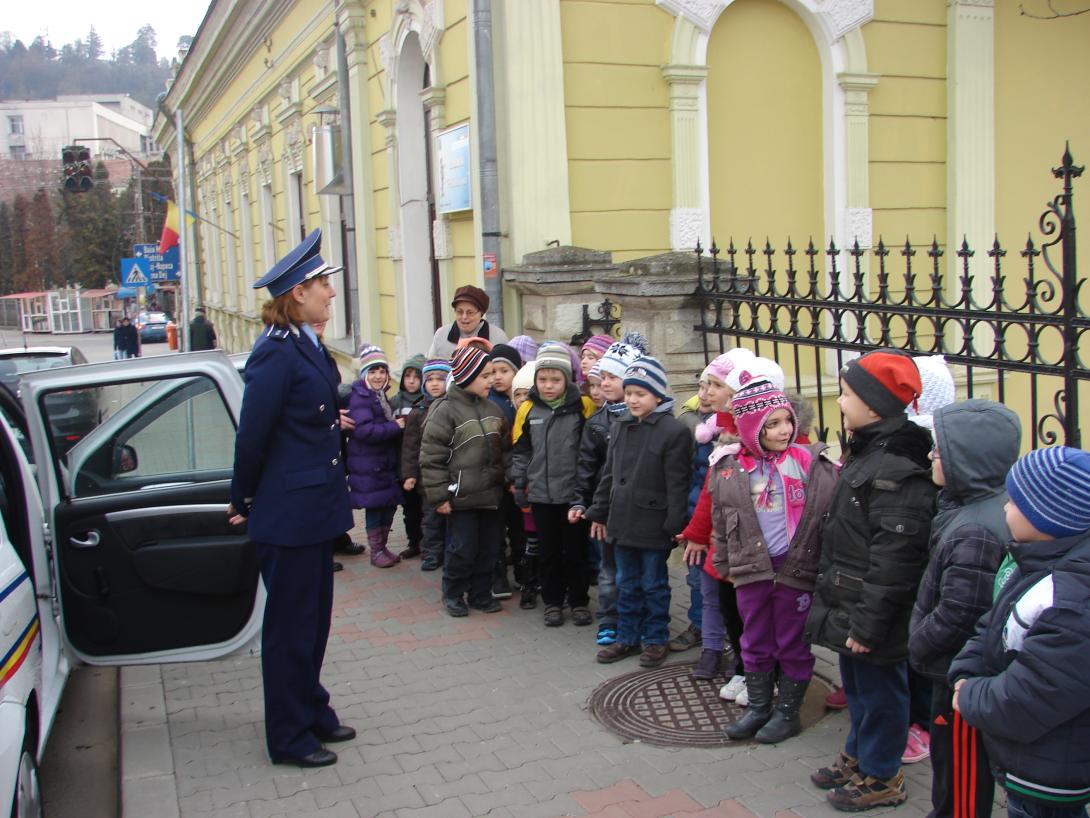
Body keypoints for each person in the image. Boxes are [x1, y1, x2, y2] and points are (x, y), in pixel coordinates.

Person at [229, 228, 356, 768]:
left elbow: (307, 418)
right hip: (287, 512)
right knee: (290, 630)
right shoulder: (274, 354)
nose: (330, 291)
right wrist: (243, 497)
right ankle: (287, 735)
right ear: (297, 293)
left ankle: (311, 707)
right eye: (323, 283)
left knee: (315, 620)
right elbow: (252, 434)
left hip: (313, 507)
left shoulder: (306, 342)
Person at [805, 350, 936, 810]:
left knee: (882, 694)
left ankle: (883, 775)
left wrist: (868, 623)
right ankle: (861, 755)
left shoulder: (897, 468)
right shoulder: (870, 449)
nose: (839, 402)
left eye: (846, 394)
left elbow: (895, 559)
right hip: (852, 599)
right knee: (859, 686)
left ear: (876, 405)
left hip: (873, 610)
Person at [688, 379, 839, 743]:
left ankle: (788, 713)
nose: (784, 430)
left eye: (786, 420)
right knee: (753, 639)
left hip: (795, 568)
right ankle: (759, 706)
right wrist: (725, 564)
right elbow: (722, 522)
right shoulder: (729, 467)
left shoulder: (809, 463)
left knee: (791, 641)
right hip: (751, 568)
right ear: (752, 429)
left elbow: (829, 517)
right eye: (772, 424)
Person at [948, 446, 1090, 818]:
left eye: (1014, 501)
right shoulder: (1036, 560)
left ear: (1047, 517)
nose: (1005, 508)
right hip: (1031, 755)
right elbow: (993, 624)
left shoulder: (1073, 597)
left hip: (1051, 770)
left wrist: (970, 696)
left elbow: (1040, 691)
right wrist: (965, 669)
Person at [909, 399, 1021, 818]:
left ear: (967, 459)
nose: (930, 456)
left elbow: (960, 611)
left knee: (960, 771)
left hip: (958, 673)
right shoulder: (972, 506)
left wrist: (919, 645)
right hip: (956, 668)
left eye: (939, 449)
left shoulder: (975, 528)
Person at [587, 355, 692, 668]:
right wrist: (599, 510)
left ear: (657, 395)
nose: (632, 399)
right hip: (621, 521)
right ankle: (627, 636)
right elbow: (609, 473)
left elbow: (678, 483)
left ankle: (656, 638)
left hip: (653, 524)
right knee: (626, 583)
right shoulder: (619, 426)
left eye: (640, 394)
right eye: (629, 392)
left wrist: (675, 525)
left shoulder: (674, 431)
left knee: (654, 585)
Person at [419, 346, 511, 616]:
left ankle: (481, 594)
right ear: (467, 376)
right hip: (460, 498)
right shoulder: (444, 411)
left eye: (492, 374)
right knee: (463, 548)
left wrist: (508, 478)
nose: (491, 380)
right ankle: (453, 593)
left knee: (489, 548)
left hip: (491, 496)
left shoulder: (494, 409)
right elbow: (432, 457)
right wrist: (439, 497)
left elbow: (505, 450)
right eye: (485, 375)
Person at [570, 333, 648, 646]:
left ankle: (640, 619)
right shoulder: (596, 423)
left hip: (640, 511)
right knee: (609, 570)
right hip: (606, 512)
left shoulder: (647, 419)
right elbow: (586, 469)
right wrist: (581, 502)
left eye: (612, 376)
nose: (604, 383)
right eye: (602, 376)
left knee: (641, 571)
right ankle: (610, 619)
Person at [511, 342, 597, 627]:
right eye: (543, 379)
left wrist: (585, 492)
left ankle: (579, 601)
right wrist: (520, 485)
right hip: (540, 495)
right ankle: (552, 602)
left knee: (575, 552)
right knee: (548, 552)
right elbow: (521, 452)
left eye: (555, 380)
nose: (548, 386)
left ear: (567, 379)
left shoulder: (582, 407)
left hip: (572, 496)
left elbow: (589, 452)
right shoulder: (528, 409)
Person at [346, 345, 406, 569]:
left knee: (388, 505)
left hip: (381, 462)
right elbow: (363, 431)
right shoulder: (360, 397)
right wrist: (394, 427)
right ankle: (376, 550)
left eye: (382, 371)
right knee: (375, 507)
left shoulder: (378, 396)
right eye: (373, 372)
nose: (378, 376)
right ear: (364, 375)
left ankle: (383, 546)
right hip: (369, 464)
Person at [400, 359, 452, 571]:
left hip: (450, 475)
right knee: (430, 519)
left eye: (440, 379)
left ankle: (450, 553)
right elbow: (410, 447)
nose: (435, 384)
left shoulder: (453, 408)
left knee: (451, 519)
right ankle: (431, 553)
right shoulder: (418, 411)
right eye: (430, 379)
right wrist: (409, 474)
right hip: (427, 478)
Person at [487, 343, 524, 599]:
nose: (498, 377)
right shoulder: (489, 404)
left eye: (504, 371)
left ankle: (524, 575)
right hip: (496, 481)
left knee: (520, 530)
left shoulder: (521, 402)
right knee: (496, 532)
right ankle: (498, 578)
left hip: (517, 481)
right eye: (493, 372)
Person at [389, 354, 426, 560]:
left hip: (424, 464)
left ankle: (428, 543)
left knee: (426, 508)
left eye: (416, 376)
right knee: (410, 509)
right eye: (407, 376)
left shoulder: (426, 401)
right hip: (404, 463)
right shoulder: (396, 401)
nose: (411, 380)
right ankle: (414, 543)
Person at [426, 284, 508, 359]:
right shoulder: (441, 335)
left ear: (481, 313)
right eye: (459, 312)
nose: (464, 317)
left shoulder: (498, 337)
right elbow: (429, 365)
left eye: (470, 312)